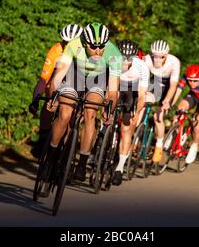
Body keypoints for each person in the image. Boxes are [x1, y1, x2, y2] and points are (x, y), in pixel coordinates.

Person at [48, 22, 122, 182]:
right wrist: (52, 96)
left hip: (98, 78)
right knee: (65, 113)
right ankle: (51, 155)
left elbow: (113, 90)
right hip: (75, 74)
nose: (98, 50)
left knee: (90, 113)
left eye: (101, 46)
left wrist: (109, 110)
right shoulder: (74, 45)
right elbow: (58, 76)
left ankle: (81, 163)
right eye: (93, 46)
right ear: (84, 42)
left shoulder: (114, 53)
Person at [28, 24, 84, 158]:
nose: (67, 46)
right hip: (57, 83)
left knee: (71, 117)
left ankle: (66, 154)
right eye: (65, 42)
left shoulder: (85, 53)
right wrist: (35, 99)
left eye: (71, 43)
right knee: (49, 103)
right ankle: (43, 138)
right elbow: (44, 79)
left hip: (77, 84)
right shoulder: (56, 50)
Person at [111, 40, 150, 186]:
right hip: (116, 86)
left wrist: (136, 111)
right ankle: (103, 137)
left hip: (132, 91)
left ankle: (119, 168)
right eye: (123, 58)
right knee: (106, 113)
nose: (126, 62)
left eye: (129, 59)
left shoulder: (141, 67)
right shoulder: (112, 60)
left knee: (127, 128)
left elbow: (141, 95)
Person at [143, 40, 180, 164]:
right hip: (156, 82)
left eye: (161, 57)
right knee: (140, 105)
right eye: (155, 56)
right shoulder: (147, 59)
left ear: (167, 55)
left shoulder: (174, 62)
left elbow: (173, 85)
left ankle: (159, 145)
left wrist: (166, 101)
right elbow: (142, 79)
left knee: (158, 116)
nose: (157, 59)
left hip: (169, 86)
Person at [171, 64, 199, 164]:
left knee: (196, 127)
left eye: (195, 81)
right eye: (189, 80)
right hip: (193, 96)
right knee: (180, 108)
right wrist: (171, 104)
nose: (191, 83)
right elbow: (177, 92)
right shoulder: (185, 78)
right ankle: (175, 133)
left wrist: (197, 119)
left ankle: (194, 146)